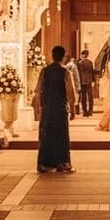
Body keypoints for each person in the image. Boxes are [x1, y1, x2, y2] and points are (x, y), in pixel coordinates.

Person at [33, 45, 77, 173]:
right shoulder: (66, 72)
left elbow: (38, 90)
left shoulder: (44, 71)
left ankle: (44, 164)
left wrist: (39, 108)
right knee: (61, 135)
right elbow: (70, 93)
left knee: (46, 136)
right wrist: (73, 109)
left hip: (47, 109)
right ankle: (62, 163)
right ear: (63, 57)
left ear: (52, 56)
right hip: (60, 109)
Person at [76, 49, 95, 117]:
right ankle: (90, 111)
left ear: (82, 55)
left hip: (82, 81)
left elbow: (78, 73)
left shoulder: (79, 63)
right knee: (90, 97)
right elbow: (92, 72)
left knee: (83, 97)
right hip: (89, 81)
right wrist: (93, 80)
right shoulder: (90, 62)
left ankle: (85, 112)